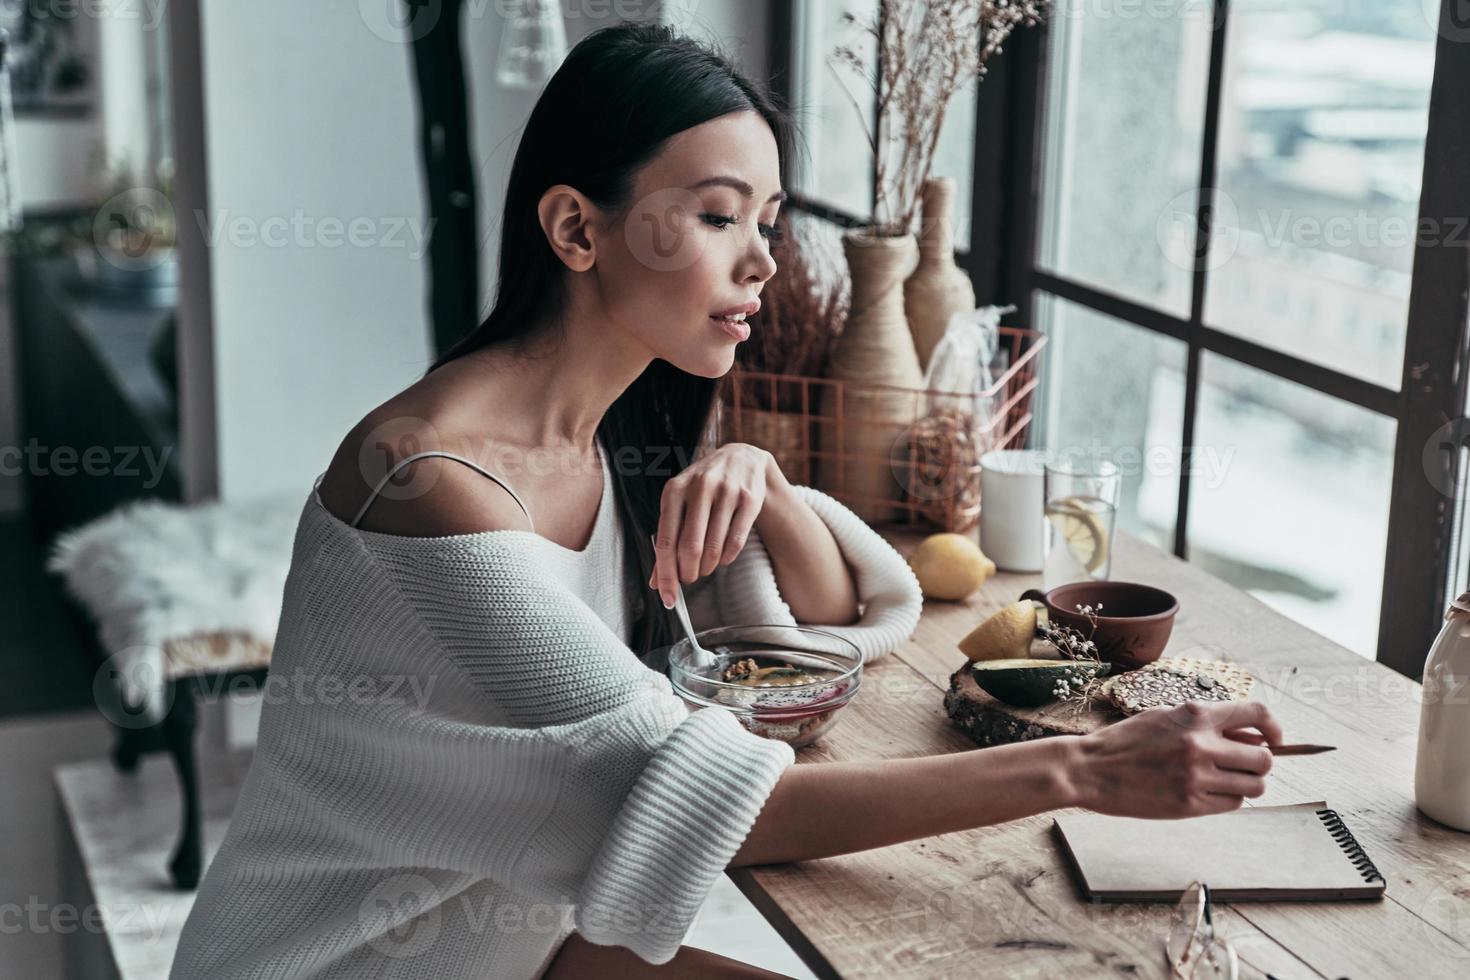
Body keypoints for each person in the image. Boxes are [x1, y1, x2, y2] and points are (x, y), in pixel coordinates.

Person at [168, 22, 1282, 980]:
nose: (763, 262)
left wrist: (767, 480)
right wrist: (1083, 768)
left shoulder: (607, 438)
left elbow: (822, 623)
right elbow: (709, 798)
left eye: (768, 219)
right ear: (575, 230)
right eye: (716, 216)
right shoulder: (430, 483)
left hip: (490, 942)